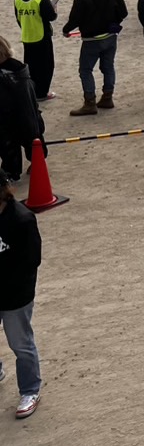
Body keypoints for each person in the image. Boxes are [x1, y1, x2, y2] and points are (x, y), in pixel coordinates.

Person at [0, 176, 42, 419]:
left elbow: (32, 260)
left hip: (15, 296)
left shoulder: (21, 219)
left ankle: (30, 390)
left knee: (21, 344)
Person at [60, 0, 127, 117]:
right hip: (110, 36)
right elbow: (123, 13)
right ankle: (107, 97)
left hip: (91, 39)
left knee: (85, 70)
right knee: (108, 67)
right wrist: (114, 25)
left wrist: (66, 30)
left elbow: (75, 19)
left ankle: (90, 102)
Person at [0, 38, 43, 184]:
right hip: (29, 113)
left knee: (9, 144)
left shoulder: (4, 75)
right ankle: (36, 160)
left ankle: (12, 172)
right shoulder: (20, 69)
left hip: (11, 117)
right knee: (33, 138)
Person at [12, 0, 56, 102]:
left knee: (31, 66)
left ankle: (32, 91)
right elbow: (51, 16)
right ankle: (42, 93)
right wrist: (54, 9)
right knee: (46, 66)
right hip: (42, 36)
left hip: (27, 36)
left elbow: (18, 18)